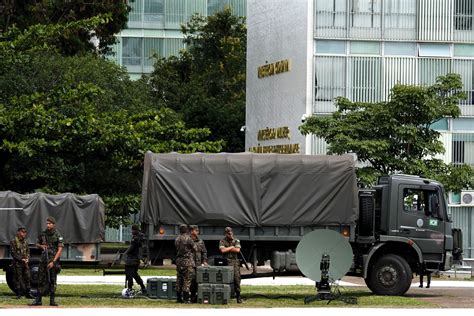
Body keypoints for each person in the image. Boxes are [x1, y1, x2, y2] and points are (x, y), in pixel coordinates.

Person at [30, 216, 63, 306]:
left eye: (50, 223)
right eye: (47, 223)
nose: (48, 225)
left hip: (52, 260)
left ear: (54, 224)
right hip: (43, 260)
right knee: (40, 279)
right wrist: (41, 246)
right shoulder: (43, 234)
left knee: (52, 280)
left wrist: (53, 262)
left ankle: (52, 300)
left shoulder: (57, 235)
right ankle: (38, 300)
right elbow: (36, 243)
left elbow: (60, 250)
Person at [219, 226, 242, 303]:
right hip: (226, 262)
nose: (230, 234)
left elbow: (238, 250)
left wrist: (228, 248)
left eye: (231, 232)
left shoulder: (236, 240)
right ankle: (225, 296)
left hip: (234, 262)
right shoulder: (222, 241)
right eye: (228, 233)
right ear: (226, 234)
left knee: (237, 279)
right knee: (224, 279)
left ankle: (238, 296)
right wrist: (232, 247)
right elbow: (222, 250)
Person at [174, 224, 196, 304]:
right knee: (187, 280)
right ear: (186, 230)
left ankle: (178, 298)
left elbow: (176, 248)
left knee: (179, 279)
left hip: (179, 261)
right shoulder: (189, 239)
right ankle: (186, 299)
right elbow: (195, 248)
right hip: (187, 261)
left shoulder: (177, 239)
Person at [124, 224, 147, 295]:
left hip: (132, 260)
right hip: (136, 260)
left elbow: (131, 247)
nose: (131, 231)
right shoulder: (141, 237)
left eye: (132, 230)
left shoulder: (135, 238)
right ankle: (143, 287)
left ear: (135, 230)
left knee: (129, 274)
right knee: (135, 274)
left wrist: (125, 253)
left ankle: (130, 289)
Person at [10, 226, 32, 299]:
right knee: (17, 278)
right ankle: (18, 294)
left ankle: (28, 293)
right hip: (17, 264)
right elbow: (13, 253)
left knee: (27, 277)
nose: (24, 233)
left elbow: (28, 252)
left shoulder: (25, 242)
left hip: (25, 264)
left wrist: (27, 259)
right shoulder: (14, 241)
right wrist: (21, 259)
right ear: (18, 232)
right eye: (23, 232)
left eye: (25, 232)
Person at [190, 225, 207, 302]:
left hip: (198, 264)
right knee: (192, 280)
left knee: (198, 280)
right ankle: (192, 296)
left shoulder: (200, 241)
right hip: (190, 264)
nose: (198, 232)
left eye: (198, 230)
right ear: (191, 231)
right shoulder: (188, 240)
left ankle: (198, 296)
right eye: (196, 230)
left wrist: (204, 261)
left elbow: (204, 252)